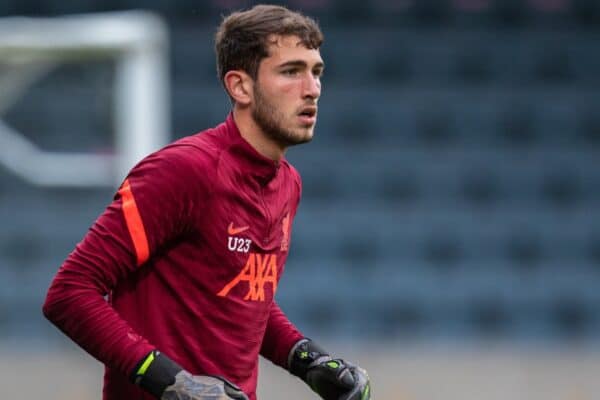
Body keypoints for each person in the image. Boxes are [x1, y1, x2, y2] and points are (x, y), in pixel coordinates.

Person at [43, 4, 370, 400]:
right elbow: (69, 292)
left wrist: (306, 358)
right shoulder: (184, 171)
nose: (312, 88)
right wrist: (170, 382)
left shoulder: (288, 183)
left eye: (316, 72)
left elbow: (241, 301)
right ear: (240, 87)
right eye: (291, 71)